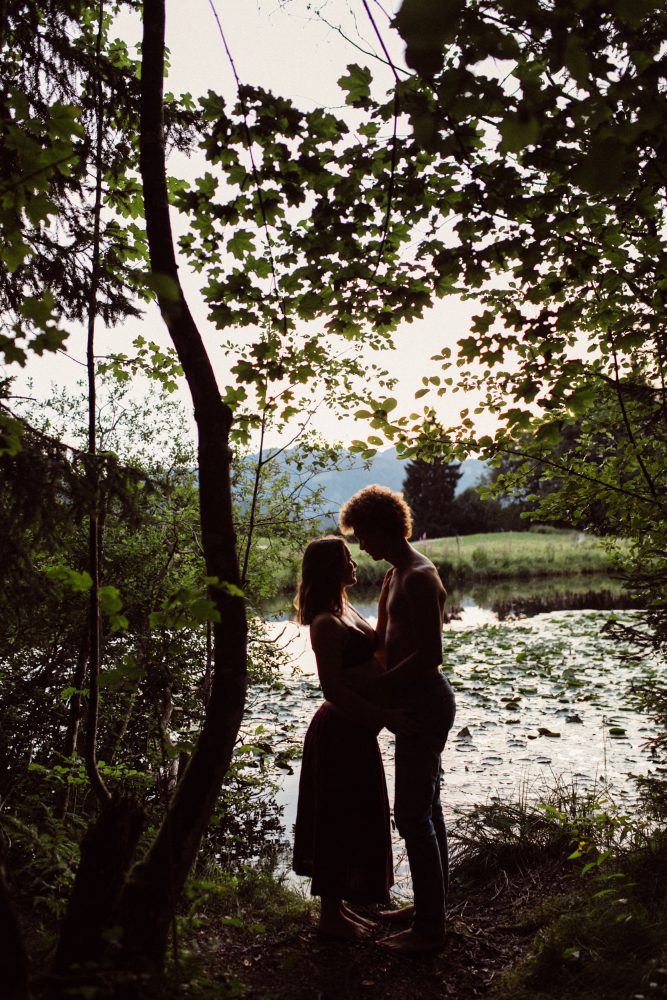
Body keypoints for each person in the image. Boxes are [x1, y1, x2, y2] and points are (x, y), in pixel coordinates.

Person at [339, 485, 456, 955]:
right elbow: (385, 643)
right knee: (428, 807)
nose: (360, 545)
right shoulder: (392, 576)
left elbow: (430, 655)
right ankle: (434, 905)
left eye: (363, 534)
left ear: (385, 527)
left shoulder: (419, 577)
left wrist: (376, 690)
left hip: (425, 703)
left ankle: (429, 932)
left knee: (411, 814)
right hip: (409, 701)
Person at [292, 536, 414, 940]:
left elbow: (376, 648)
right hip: (339, 733)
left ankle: (340, 910)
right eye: (346, 557)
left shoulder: (344, 608)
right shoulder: (325, 623)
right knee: (336, 820)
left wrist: (387, 598)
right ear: (331, 567)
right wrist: (384, 716)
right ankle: (330, 918)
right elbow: (334, 689)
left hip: (357, 733)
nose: (354, 561)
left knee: (352, 817)